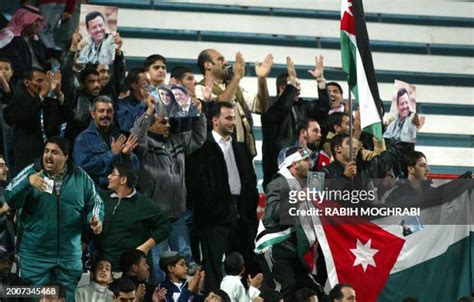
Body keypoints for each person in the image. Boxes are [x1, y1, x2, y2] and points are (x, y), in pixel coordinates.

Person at [5, 136, 104, 301]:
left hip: (68, 256)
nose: (48, 156)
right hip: (35, 256)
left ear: (65, 156)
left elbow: (95, 203)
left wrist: (96, 219)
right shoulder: (31, 172)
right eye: (46, 151)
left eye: (54, 152)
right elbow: (10, 196)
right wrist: (27, 183)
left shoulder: (81, 178)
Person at [131, 93, 205, 283]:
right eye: (163, 122)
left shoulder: (177, 141)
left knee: (182, 263)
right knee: (158, 264)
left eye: (168, 122)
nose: (168, 125)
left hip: (177, 215)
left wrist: (199, 114)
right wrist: (148, 113)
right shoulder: (145, 146)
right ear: (152, 125)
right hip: (155, 218)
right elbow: (136, 136)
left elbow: (198, 137)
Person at [187, 102, 260, 292]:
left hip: (241, 216)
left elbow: (250, 181)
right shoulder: (202, 148)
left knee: (243, 264)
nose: (233, 122)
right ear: (215, 120)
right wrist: (216, 209)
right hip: (214, 220)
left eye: (234, 118)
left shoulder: (240, 147)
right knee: (215, 269)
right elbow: (198, 186)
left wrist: (246, 211)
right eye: (228, 118)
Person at [260, 147, 322, 300]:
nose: (310, 163)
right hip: (276, 246)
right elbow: (273, 213)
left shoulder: (303, 182)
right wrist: (300, 196)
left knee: (311, 288)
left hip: (293, 248)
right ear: (294, 164)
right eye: (306, 160)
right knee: (285, 288)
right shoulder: (279, 182)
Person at [261, 56, 330, 188]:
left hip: (304, 173)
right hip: (278, 175)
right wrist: (291, 84)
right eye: (295, 85)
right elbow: (282, 108)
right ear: (283, 87)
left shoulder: (302, 106)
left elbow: (323, 108)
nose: (298, 89)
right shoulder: (269, 106)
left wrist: (320, 81)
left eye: (298, 85)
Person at [196, 49, 273, 157]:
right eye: (221, 60)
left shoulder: (233, 87)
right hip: (218, 152)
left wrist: (261, 79)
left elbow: (261, 107)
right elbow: (220, 106)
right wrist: (237, 77)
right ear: (208, 65)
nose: (226, 62)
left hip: (242, 151)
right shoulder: (199, 89)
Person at [94, 160, 170, 271]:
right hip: (103, 267)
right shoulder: (102, 199)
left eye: (113, 174)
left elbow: (165, 225)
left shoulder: (144, 204)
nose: (109, 177)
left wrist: (146, 247)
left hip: (131, 269)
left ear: (123, 180)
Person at [73, 96, 139, 189]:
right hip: (96, 192)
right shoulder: (83, 139)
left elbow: (134, 170)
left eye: (109, 111)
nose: (105, 114)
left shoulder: (119, 136)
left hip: (120, 191)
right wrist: (112, 154)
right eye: (101, 111)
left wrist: (126, 155)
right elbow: (84, 168)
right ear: (93, 114)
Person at [0, 5, 46, 85]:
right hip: (24, 81)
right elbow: (17, 68)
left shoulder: (35, 40)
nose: (38, 25)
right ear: (23, 20)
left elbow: (44, 58)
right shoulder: (10, 38)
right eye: (35, 21)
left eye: (39, 21)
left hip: (40, 77)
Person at [116, 67, 149, 132]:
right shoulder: (121, 105)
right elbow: (126, 126)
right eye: (145, 82)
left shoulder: (153, 103)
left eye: (149, 82)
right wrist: (144, 104)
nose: (148, 85)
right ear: (134, 85)